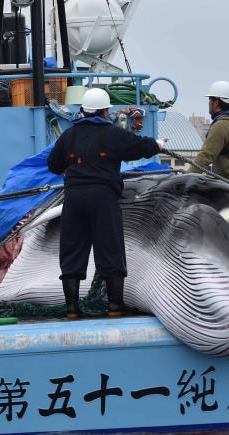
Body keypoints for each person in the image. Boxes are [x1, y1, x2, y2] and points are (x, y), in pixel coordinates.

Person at [47, 88, 163, 319]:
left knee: (72, 249)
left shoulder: (68, 135)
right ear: (104, 111)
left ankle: (71, 309)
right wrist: (157, 145)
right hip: (103, 197)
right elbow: (139, 147)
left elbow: (54, 165)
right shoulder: (112, 133)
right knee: (110, 248)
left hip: (74, 198)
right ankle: (114, 307)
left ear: (84, 110)